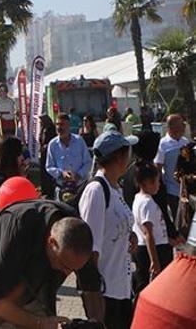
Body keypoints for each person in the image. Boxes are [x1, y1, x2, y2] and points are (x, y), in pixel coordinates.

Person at [0, 200, 103, 328]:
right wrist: (40, 323)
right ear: (52, 243)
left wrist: (95, 323)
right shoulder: (18, 227)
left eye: (74, 270)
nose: (67, 273)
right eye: (65, 266)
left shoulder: (78, 236)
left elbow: (92, 288)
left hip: (34, 289)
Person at [78, 130, 138, 329]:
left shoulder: (115, 188)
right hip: (105, 293)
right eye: (128, 152)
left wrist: (130, 236)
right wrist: (94, 301)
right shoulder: (96, 191)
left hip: (122, 287)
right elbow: (89, 249)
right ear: (120, 157)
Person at [131, 163, 173, 297]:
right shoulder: (146, 203)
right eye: (157, 181)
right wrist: (154, 260)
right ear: (148, 183)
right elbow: (148, 232)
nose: (159, 185)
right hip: (154, 250)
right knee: (150, 287)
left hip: (152, 247)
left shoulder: (139, 199)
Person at [46, 113, 92, 196]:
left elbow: (88, 162)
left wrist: (78, 175)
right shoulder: (52, 144)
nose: (59, 128)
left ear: (68, 125)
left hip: (80, 188)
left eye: (62, 124)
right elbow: (49, 166)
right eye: (57, 124)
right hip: (62, 188)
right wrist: (61, 173)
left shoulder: (79, 141)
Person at [154, 114, 190, 217]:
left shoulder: (185, 142)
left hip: (187, 190)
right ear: (173, 127)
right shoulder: (163, 144)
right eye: (181, 124)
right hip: (172, 191)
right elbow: (158, 167)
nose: (184, 126)